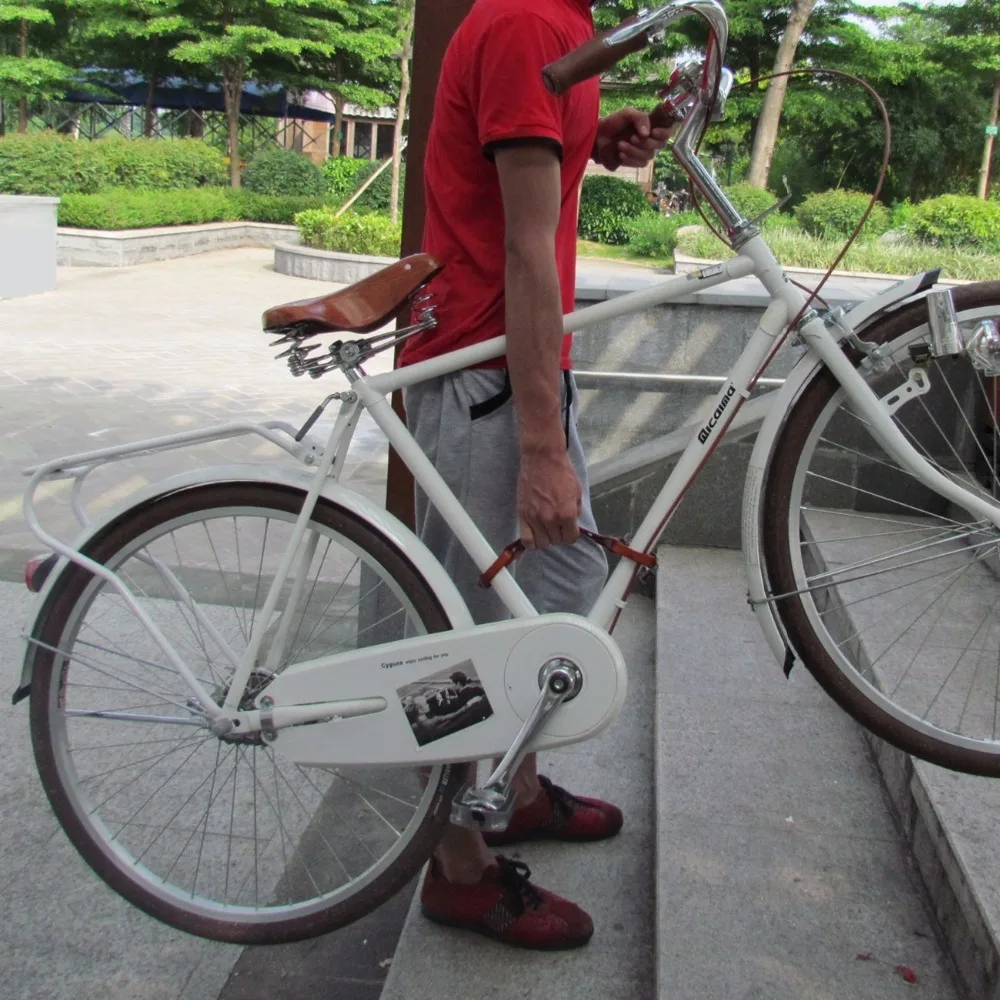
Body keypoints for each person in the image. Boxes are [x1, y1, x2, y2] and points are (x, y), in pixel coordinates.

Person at [397, 0, 671, 951]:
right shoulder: (526, 23)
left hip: (508, 362)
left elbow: (515, 164)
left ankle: (510, 792)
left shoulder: (559, 23)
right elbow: (522, 243)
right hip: (486, 366)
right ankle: (456, 868)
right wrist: (541, 448)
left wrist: (597, 135)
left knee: (549, 598)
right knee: (468, 637)